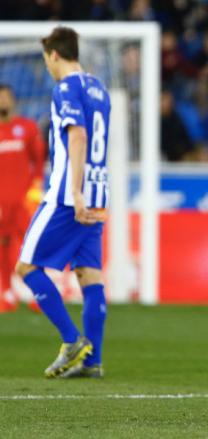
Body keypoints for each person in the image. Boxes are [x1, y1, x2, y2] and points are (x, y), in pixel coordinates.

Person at [14, 27, 111, 378]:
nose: (48, 67)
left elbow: (79, 134)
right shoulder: (99, 88)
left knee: (26, 268)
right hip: (99, 193)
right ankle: (93, 361)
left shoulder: (66, 87)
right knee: (89, 275)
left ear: (54, 54)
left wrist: (77, 191)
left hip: (69, 196)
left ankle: (72, 340)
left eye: (46, 60)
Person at [0, 84, 46, 313]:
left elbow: (38, 160)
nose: (3, 102)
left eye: (6, 97)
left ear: (13, 100)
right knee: (3, 244)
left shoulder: (27, 128)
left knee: (31, 245)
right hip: (1, 201)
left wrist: (37, 186)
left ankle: (38, 293)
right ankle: (7, 293)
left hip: (24, 199)